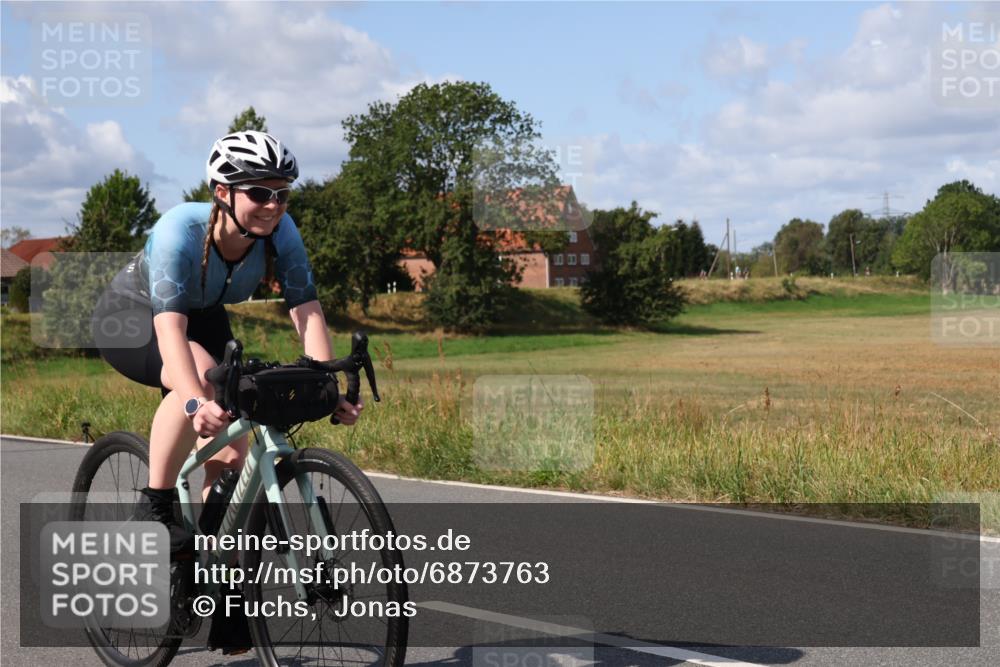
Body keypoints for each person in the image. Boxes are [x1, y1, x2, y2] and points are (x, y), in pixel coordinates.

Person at [91, 130, 362, 653]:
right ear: (221, 191)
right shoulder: (181, 231)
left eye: (282, 192)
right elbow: (170, 332)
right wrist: (194, 401)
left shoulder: (281, 231)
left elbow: (306, 311)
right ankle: (158, 501)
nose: (273, 204)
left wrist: (330, 385)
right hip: (133, 318)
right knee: (201, 380)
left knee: (236, 452)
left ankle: (212, 576)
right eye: (259, 192)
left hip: (203, 314)